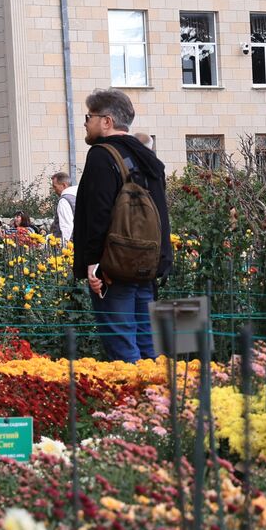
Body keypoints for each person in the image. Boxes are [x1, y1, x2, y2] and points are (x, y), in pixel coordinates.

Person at [73, 89, 173, 363]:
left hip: (114, 268)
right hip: (147, 265)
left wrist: (93, 262)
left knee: (123, 349)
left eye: (89, 116)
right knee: (148, 345)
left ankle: (134, 402)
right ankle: (158, 400)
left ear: (106, 121)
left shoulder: (102, 155)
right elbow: (161, 214)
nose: (85, 122)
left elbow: (98, 213)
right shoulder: (149, 158)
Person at [51, 172, 77, 242]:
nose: (54, 190)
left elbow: (66, 227)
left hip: (69, 246)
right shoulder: (78, 196)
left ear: (64, 185)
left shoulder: (64, 200)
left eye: (55, 186)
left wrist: (64, 248)